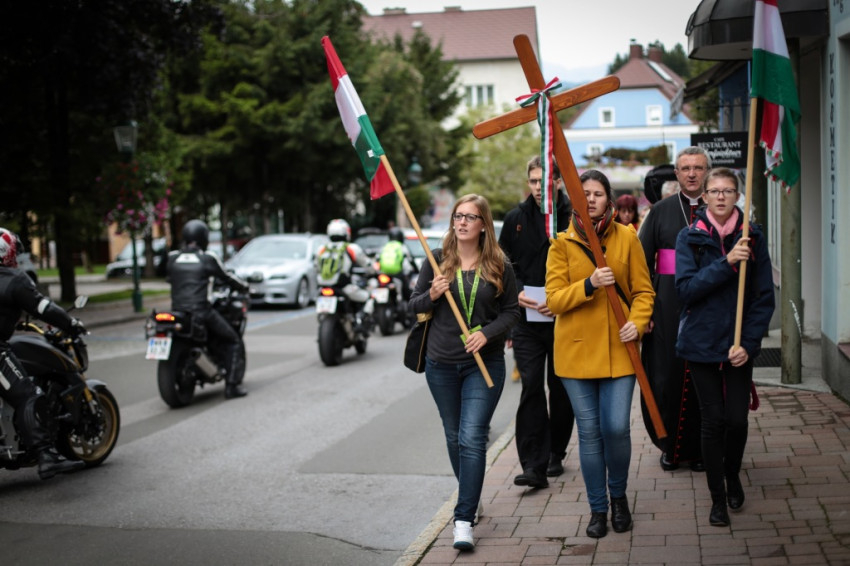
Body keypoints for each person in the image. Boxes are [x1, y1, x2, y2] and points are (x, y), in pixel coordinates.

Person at [545, 170, 655, 538]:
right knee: (590, 433)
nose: (590, 199)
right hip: (575, 356)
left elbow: (643, 292)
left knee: (616, 428)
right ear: (575, 200)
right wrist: (589, 284)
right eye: (584, 193)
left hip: (620, 351)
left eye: (597, 193)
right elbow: (554, 301)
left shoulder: (627, 237)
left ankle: (619, 497)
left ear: (609, 198)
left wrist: (637, 323)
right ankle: (598, 508)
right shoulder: (561, 243)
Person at [409, 194, 519, 551]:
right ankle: (471, 495)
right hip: (440, 364)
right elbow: (413, 305)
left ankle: (463, 519)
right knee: (455, 435)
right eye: (458, 216)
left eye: (470, 217)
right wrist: (432, 294)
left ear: (483, 224)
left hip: (483, 365)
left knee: (472, 437)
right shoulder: (437, 260)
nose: (462, 222)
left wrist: (487, 333)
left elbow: (512, 311)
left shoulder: (499, 264)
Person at [675, 167, 775, 528]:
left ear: (737, 196)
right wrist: (727, 262)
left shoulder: (753, 237)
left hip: (737, 346)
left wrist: (748, 344)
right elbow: (686, 290)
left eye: (728, 191)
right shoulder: (689, 237)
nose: (720, 196)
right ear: (704, 197)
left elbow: (764, 298)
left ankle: (732, 475)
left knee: (736, 419)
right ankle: (717, 497)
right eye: (714, 191)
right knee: (712, 420)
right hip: (701, 341)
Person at [499, 156, 574, 488]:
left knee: (560, 387)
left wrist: (564, 299)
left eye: (545, 180)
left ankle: (556, 451)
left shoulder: (573, 217)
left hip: (565, 318)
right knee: (531, 385)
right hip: (526, 321)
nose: (539, 187)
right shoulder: (515, 219)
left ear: (557, 181)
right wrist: (515, 293)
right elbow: (502, 265)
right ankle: (533, 464)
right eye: (533, 181)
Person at [638, 146, 711, 472]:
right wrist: (645, 312)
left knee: (703, 379)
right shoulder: (660, 211)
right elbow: (641, 264)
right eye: (686, 168)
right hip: (667, 305)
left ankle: (701, 449)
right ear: (677, 173)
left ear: (707, 172)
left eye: (698, 168)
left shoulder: (718, 208)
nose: (692, 173)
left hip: (708, 304)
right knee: (666, 376)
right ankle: (669, 446)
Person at [0, 228, 87, 479]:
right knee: (27, 395)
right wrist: (70, 323)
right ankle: (46, 456)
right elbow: (43, 307)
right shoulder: (14, 279)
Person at [167, 219, 250, 399]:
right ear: (203, 237)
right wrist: (244, 287)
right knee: (233, 340)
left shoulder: (172, 257)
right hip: (201, 311)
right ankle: (232, 386)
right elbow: (226, 277)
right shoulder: (207, 258)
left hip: (178, 312)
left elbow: (169, 278)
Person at [316, 219, 375, 331]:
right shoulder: (351, 248)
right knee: (369, 297)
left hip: (323, 288)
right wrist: (374, 271)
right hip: (344, 288)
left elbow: (316, 267)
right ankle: (360, 321)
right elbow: (368, 265)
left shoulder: (322, 249)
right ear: (346, 232)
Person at [377, 227, 417, 301]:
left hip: (384, 273)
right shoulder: (402, 247)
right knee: (407, 288)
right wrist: (416, 270)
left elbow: (377, 258)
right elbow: (410, 260)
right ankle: (406, 302)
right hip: (398, 273)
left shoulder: (385, 246)